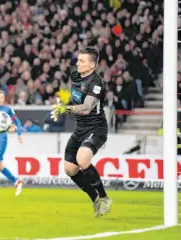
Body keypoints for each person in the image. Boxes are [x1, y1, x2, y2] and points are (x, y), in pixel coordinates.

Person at [52, 47, 112, 218]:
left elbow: (86, 108)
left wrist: (65, 109)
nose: (77, 63)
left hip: (96, 128)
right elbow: (71, 91)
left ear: (92, 65)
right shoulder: (75, 75)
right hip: (80, 130)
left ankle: (104, 197)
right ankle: (95, 199)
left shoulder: (97, 83)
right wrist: (61, 99)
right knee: (70, 169)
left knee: (82, 158)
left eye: (82, 61)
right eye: (78, 60)